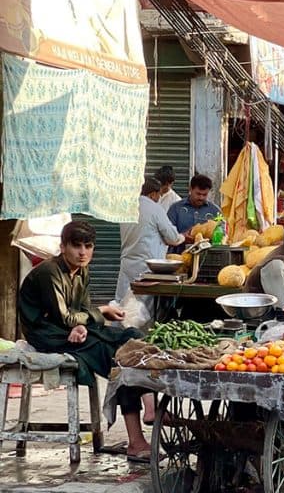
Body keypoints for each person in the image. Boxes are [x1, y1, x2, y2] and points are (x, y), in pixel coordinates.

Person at [18, 221, 152, 461]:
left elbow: (79, 311)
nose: (82, 252)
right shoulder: (50, 272)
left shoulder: (82, 271)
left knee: (131, 338)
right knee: (115, 357)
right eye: (76, 246)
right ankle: (136, 440)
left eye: (88, 246)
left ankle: (149, 402)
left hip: (69, 329)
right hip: (46, 334)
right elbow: (65, 317)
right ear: (63, 247)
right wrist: (98, 313)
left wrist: (82, 324)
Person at [115, 178, 186, 325]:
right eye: (159, 195)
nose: (159, 198)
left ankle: (118, 338)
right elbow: (172, 237)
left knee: (122, 306)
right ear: (153, 194)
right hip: (147, 268)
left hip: (127, 264)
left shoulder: (126, 207)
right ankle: (140, 340)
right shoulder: (154, 208)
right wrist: (182, 237)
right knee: (143, 312)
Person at [167, 174, 222, 251]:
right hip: (179, 256)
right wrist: (182, 237)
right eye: (198, 194)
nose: (201, 198)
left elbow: (222, 235)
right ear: (190, 189)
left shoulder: (215, 211)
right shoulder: (176, 208)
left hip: (206, 257)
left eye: (204, 194)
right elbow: (167, 235)